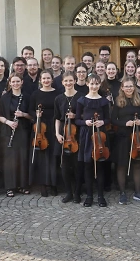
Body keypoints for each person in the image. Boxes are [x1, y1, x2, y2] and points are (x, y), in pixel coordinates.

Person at [75, 74, 111, 207]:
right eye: (92, 83)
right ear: (87, 84)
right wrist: (86, 122)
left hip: (100, 135)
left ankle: (101, 196)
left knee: (100, 165)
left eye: (96, 84)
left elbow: (108, 119)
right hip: (86, 135)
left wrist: (102, 121)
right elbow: (77, 119)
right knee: (88, 166)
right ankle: (89, 196)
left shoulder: (104, 101)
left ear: (100, 84)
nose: (94, 86)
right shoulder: (81, 101)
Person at [111, 79, 140, 204]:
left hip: (137, 137)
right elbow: (113, 120)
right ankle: (122, 193)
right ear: (122, 87)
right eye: (126, 86)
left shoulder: (139, 101)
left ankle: (138, 192)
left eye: (131, 86)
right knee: (122, 165)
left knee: (137, 164)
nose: (129, 88)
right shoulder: (118, 102)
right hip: (122, 137)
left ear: (134, 87)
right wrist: (124, 123)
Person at [0, 73, 31, 197]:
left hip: (23, 130)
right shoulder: (4, 98)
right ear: (10, 83)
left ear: (22, 82)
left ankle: (22, 185)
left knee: (22, 158)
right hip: (8, 130)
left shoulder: (27, 97)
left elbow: (31, 115)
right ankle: (10, 186)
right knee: (9, 159)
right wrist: (9, 122)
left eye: (18, 81)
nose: (15, 84)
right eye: (13, 82)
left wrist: (23, 114)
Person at [29, 70, 59, 197]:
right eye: (44, 78)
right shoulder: (35, 94)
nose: (46, 80)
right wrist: (35, 115)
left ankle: (53, 184)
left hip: (53, 126)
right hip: (40, 128)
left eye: (48, 78)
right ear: (40, 80)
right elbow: (30, 110)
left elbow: (60, 110)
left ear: (52, 80)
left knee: (53, 156)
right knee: (42, 158)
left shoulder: (58, 93)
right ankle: (43, 184)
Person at [54, 73, 80, 203]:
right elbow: (57, 118)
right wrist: (57, 134)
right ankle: (69, 192)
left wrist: (75, 116)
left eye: (71, 80)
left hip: (76, 134)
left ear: (75, 81)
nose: (68, 83)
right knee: (64, 166)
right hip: (63, 133)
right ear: (62, 83)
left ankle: (77, 193)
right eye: (66, 81)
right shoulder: (59, 98)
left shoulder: (80, 97)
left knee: (77, 166)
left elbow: (83, 117)